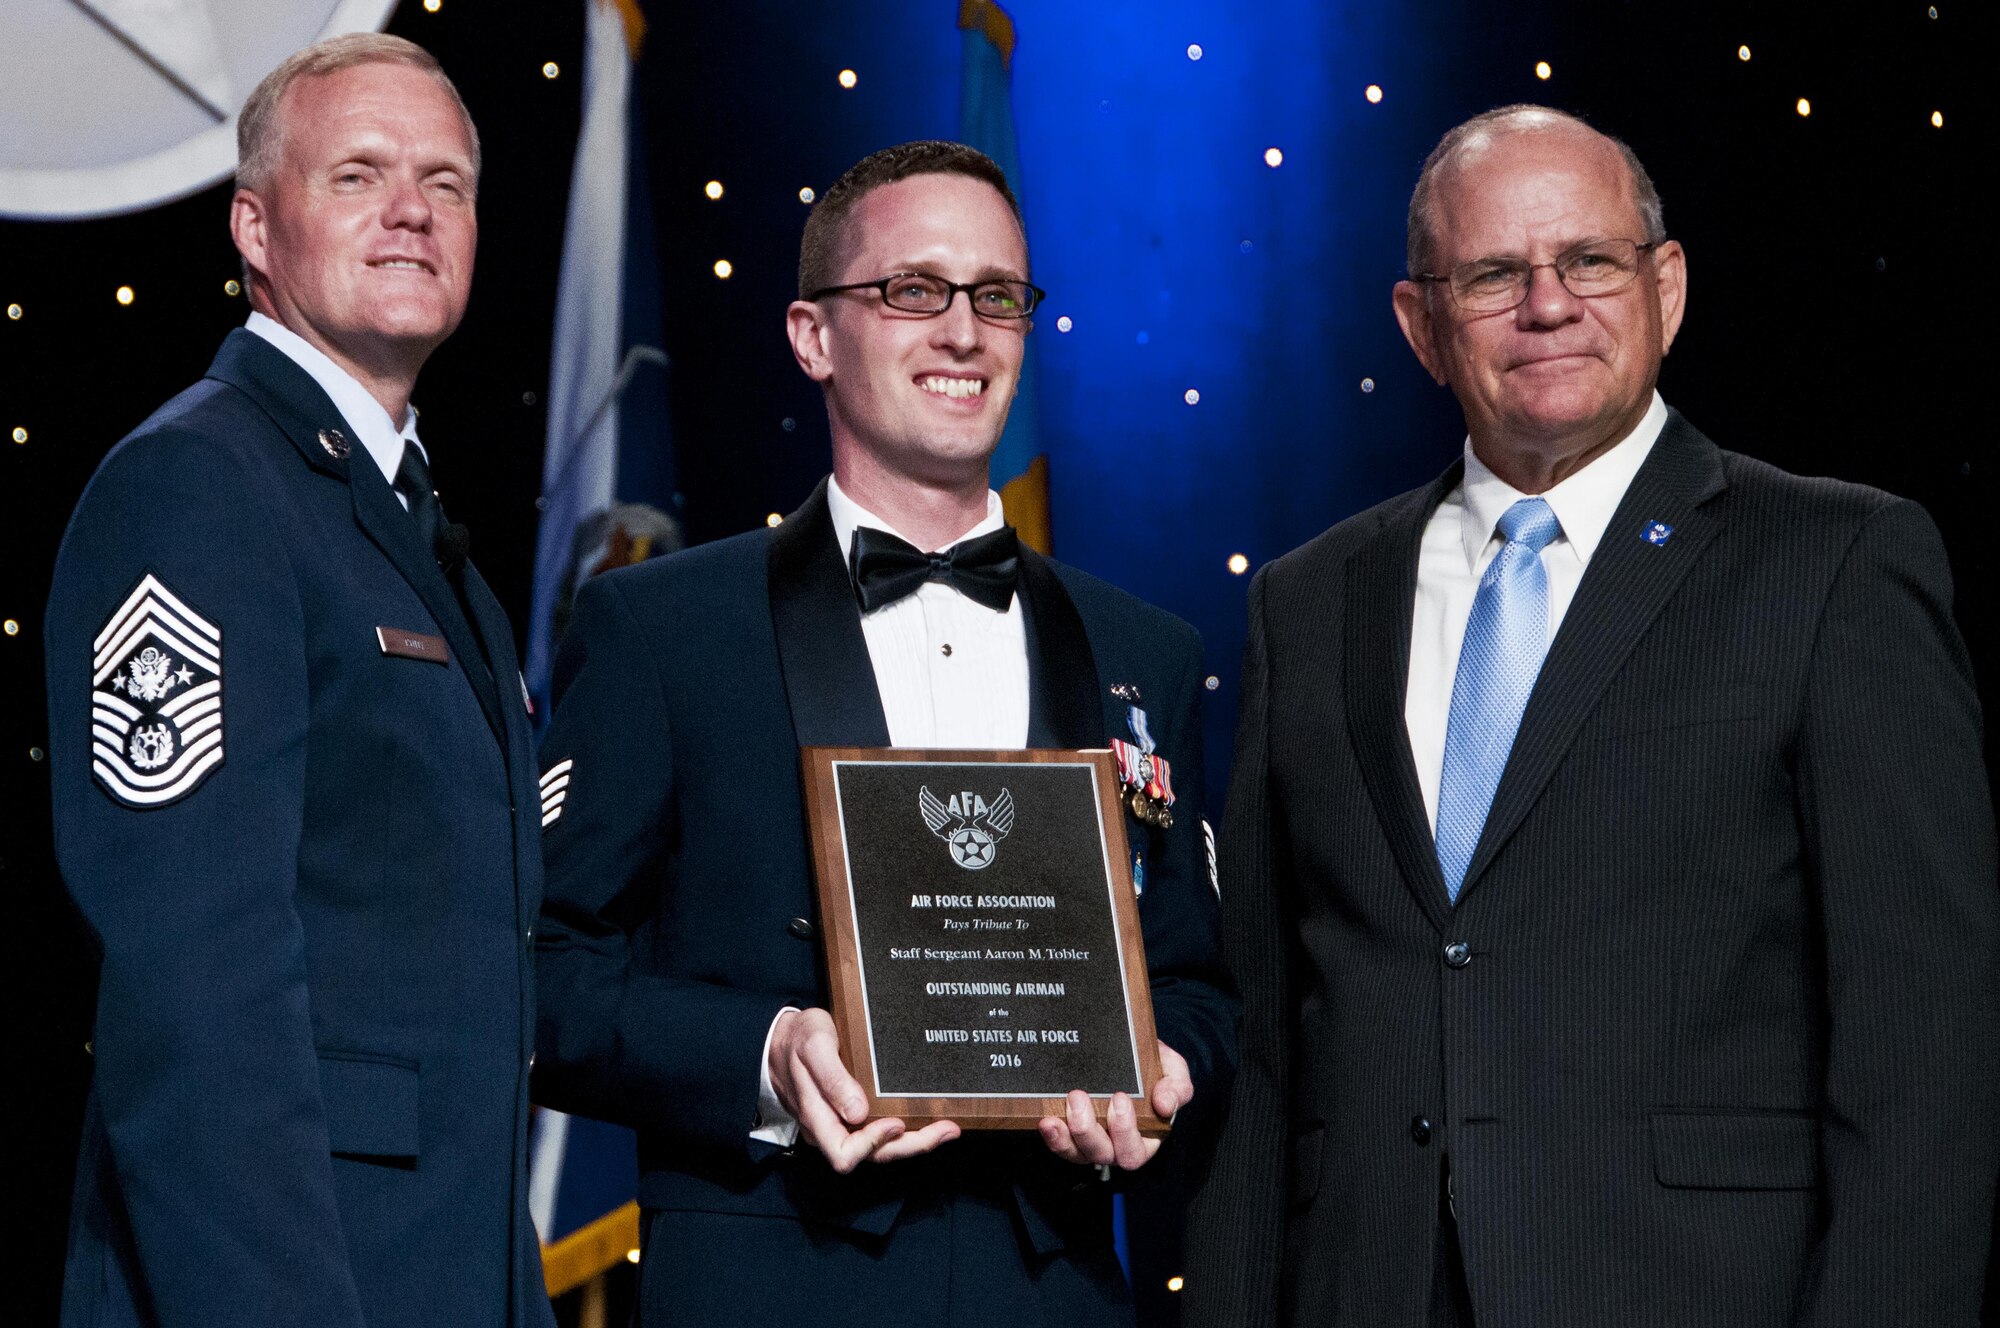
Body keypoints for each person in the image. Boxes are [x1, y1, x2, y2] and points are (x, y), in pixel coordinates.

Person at [1184, 104, 1999, 1327]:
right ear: (1418, 324)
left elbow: (1919, 1056)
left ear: (1664, 287)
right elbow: (1260, 1048)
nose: (1546, 304)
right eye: (1492, 274)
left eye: (1587, 261)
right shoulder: (1308, 602)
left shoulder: (1834, 560)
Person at [531, 140, 1237, 1325]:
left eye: (996, 296)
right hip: (771, 1283)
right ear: (812, 335)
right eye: (912, 289)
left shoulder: (1143, 652)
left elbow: (1199, 987)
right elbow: (543, 976)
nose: (963, 331)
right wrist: (762, 1050)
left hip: (1051, 1290)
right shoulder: (661, 629)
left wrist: (1163, 1068)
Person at [44, 34, 552, 1328]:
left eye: (446, 183)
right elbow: (197, 997)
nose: (411, 213)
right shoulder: (200, 489)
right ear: (255, 229)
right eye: (360, 175)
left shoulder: (414, 529)